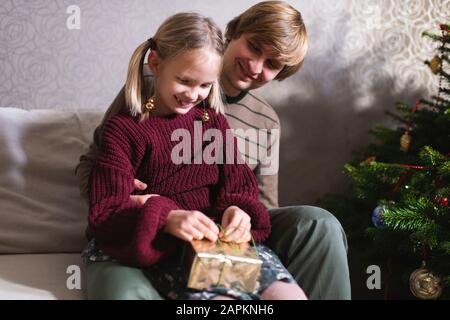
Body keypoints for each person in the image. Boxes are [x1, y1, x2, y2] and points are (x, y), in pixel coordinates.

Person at [76, 1, 351, 300]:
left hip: (217, 230)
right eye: (255, 47)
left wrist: (240, 216)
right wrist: (139, 200)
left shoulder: (256, 121)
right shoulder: (147, 91)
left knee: (314, 236)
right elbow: (101, 177)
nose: (257, 67)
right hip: (157, 232)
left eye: (272, 64)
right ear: (234, 33)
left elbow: (260, 200)